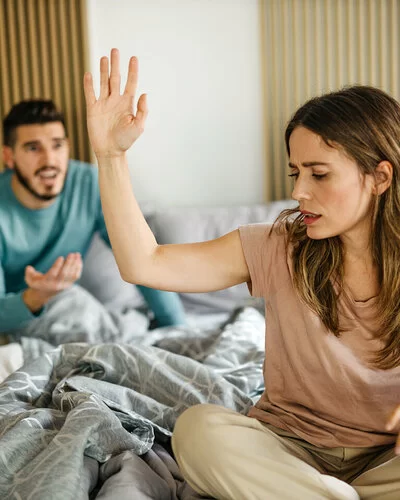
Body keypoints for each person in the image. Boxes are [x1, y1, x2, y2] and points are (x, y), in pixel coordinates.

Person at [83, 48, 400, 499]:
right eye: (295, 172)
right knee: (197, 432)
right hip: (285, 452)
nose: (298, 192)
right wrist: (110, 155)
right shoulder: (280, 245)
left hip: (383, 461)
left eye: (319, 174)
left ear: (380, 177)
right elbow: (144, 263)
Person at [0, 98, 186, 347]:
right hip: (18, 320)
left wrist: (176, 329)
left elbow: (141, 256)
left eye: (57, 146)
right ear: (9, 157)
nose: (49, 161)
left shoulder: (88, 184)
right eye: (33, 148)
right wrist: (39, 295)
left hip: (74, 319)